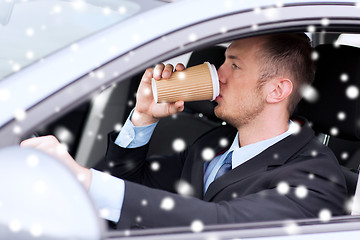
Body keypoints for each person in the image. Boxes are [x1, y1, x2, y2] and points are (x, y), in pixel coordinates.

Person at [21, 33, 347, 230]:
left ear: (277, 90)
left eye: (234, 65)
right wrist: (144, 118)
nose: (218, 75)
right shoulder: (215, 142)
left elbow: (223, 224)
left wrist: (87, 180)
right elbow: (124, 188)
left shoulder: (317, 179)